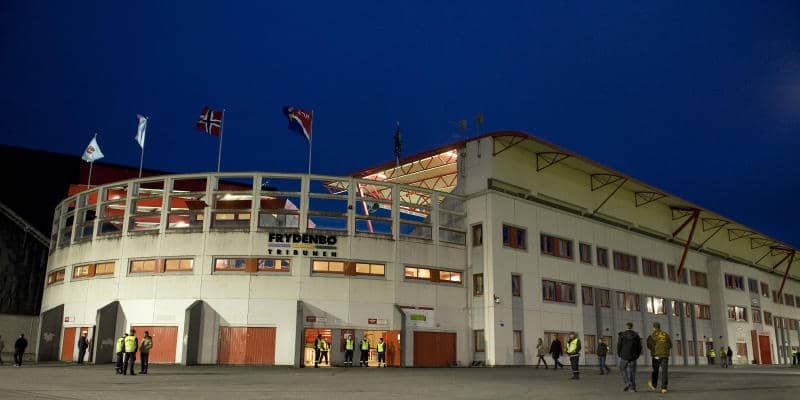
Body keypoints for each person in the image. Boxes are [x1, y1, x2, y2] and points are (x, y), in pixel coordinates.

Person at [646, 322, 672, 394]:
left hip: (656, 355)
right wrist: (664, 350)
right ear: (659, 327)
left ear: (654, 328)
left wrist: (654, 351)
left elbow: (649, 345)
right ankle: (664, 388)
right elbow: (670, 345)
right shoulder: (665, 334)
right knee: (664, 371)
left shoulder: (652, 335)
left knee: (655, 370)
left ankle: (654, 385)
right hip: (664, 355)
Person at [618, 322, 642, 392]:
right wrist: (637, 355)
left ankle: (628, 383)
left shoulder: (622, 335)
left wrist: (619, 353)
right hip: (633, 356)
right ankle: (633, 388)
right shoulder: (636, 335)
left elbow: (619, 345)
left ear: (626, 326)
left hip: (624, 356)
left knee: (622, 369)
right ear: (632, 327)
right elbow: (639, 346)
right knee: (632, 372)